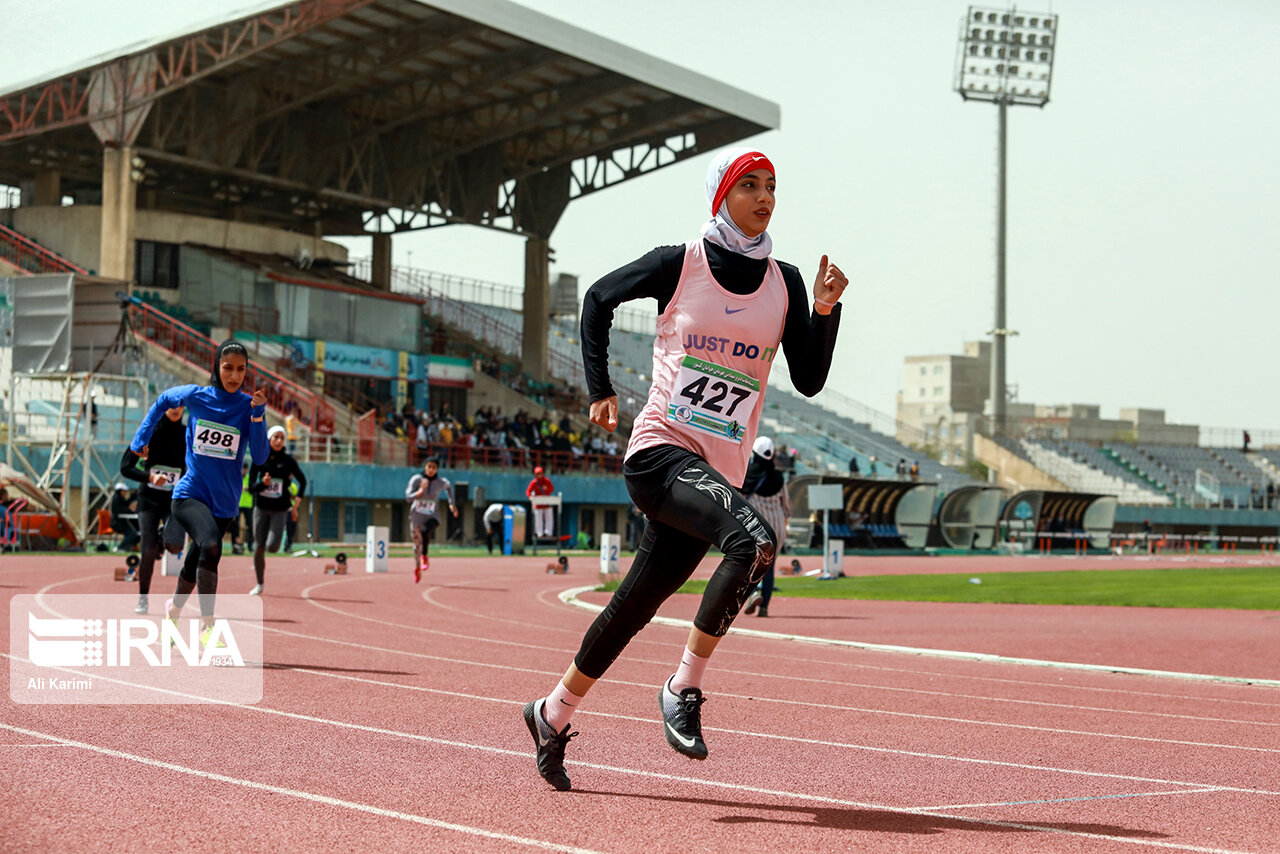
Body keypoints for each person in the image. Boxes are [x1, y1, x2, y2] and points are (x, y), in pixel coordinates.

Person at [521, 147, 845, 790]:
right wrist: (599, 387)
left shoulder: (786, 281)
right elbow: (597, 298)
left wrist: (827, 314)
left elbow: (808, 380)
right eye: (748, 184)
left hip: (714, 475)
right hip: (660, 452)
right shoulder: (682, 264)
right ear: (720, 195)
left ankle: (551, 713)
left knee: (633, 606)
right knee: (755, 540)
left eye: (771, 186)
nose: (764, 196)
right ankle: (682, 687)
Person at [129, 340, 267, 643]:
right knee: (212, 545)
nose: (233, 375)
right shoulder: (196, 396)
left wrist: (258, 416)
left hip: (226, 502)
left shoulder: (248, 407)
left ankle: (173, 613)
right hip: (190, 494)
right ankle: (208, 627)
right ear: (216, 367)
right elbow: (164, 400)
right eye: (227, 368)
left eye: (240, 370)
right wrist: (140, 440)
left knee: (195, 564)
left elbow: (259, 456)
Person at [119, 404, 188, 614]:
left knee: (175, 545)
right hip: (148, 499)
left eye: (181, 405)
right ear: (164, 407)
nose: (176, 409)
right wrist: (150, 477)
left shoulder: (188, 434)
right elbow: (125, 467)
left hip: (175, 499)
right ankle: (143, 598)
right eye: (172, 405)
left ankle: (161, 538)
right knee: (147, 549)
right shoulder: (150, 432)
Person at [246, 425, 307, 595]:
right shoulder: (259, 459)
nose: (279, 441)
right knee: (259, 546)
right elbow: (251, 488)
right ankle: (259, 583)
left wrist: (295, 506)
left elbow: (303, 482)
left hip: (280, 510)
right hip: (261, 507)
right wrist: (262, 485)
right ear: (269, 439)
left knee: (272, 546)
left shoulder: (288, 461)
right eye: (276, 437)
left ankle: (267, 549)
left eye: (282, 438)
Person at [741, 436, 791, 618]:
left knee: (750, 563)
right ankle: (764, 607)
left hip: (757, 526)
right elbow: (787, 507)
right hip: (777, 528)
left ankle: (753, 593)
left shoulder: (748, 474)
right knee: (769, 566)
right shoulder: (779, 477)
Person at [405, 456, 458, 582]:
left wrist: (452, 503)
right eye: (429, 466)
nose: (431, 470)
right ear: (425, 467)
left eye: (434, 467)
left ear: (437, 469)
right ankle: (417, 567)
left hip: (432, 515)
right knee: (416, 545)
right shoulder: (417, 479)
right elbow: (407, 497)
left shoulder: (440, 482)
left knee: (425, 530)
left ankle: (425, 556)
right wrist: (417, 493)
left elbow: (449, 487)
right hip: (416, 516)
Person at [526, 465, 556, 540]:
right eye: (537, 474)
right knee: (538, 519)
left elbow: (552, 489)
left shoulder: (547, 481)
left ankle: (549, 532)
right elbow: (528, 491)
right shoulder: (534, 482)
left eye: (540, 473)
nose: (539, 475)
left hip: (547, 502)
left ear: (542, 474)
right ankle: (539, 533)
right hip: (538, 503)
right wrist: (530, 497)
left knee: (549, 518)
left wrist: (547, 489)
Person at [109, 483, 140, 553]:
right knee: (133, 534)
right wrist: (129, 509)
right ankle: (120, 548)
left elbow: (126, 503)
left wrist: (133, 496)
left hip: (122, 522)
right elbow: (120, 511)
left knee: (135, 534)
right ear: (120, 491)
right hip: (117, 523)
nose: (125, 493)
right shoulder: (116, 499)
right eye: (124, 491)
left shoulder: (119, 498)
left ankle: (127, 547)